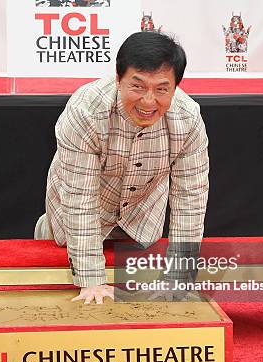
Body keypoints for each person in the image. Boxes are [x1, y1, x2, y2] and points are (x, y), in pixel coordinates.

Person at [35, 32, 209, 305]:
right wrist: (91, 280)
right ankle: (48, 228)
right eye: (137, 86)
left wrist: (180, 277)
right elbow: (80, 198)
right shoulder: (85, 111)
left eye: (162, 89)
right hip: (75, 212)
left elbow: (191, 199)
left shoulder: (188, 118)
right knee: (60, 244)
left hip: (142, 218)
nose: (149, 101)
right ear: (118, 79)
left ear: (175, 87)